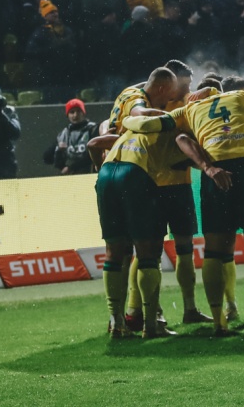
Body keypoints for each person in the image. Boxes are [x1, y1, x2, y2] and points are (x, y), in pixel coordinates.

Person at [122, 72, 244, 336]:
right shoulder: (242, 97)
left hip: (213, 167)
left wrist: (125, 120)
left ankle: (219, 322)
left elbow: (149, 125)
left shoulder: (189, 109)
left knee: (215, 250)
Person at [94, 66, 225, 339]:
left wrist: (98, 167)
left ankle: (117, 322)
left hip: (108, 173)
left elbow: (96, 140)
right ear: (166, 86)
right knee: (148, 252)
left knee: (116, 252)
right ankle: (150, 324)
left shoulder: (131, 110)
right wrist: (208, 166)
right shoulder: (163, 112)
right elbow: (181, 139)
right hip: (138, 176)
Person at [50, 98, 97, 175]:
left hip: (90, 174)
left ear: (83, 113)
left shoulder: (93, 129)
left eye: (78, 111)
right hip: (71, 176)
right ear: (67, 115)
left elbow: (93, 156)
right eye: (72, 112)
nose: (75, 115)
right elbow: (49, 159)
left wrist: (71, 168)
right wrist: (59, 151)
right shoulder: (64, 133)